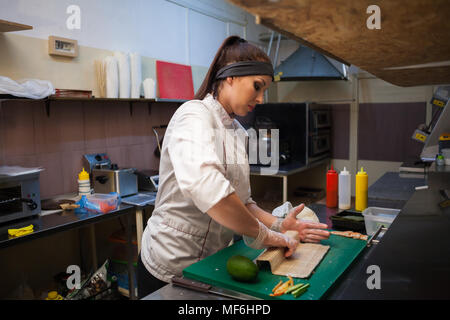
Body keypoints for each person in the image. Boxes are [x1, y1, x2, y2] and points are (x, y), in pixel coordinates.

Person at [137, 36, 330, 299]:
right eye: (257, 86)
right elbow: (211, 192)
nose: (261, 99)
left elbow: (244, 202)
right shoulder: (193, 115)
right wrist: (271, 238)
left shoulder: (238, 132)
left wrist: (280, 225)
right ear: (230, 78)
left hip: (209, 267)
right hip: (167, 266)